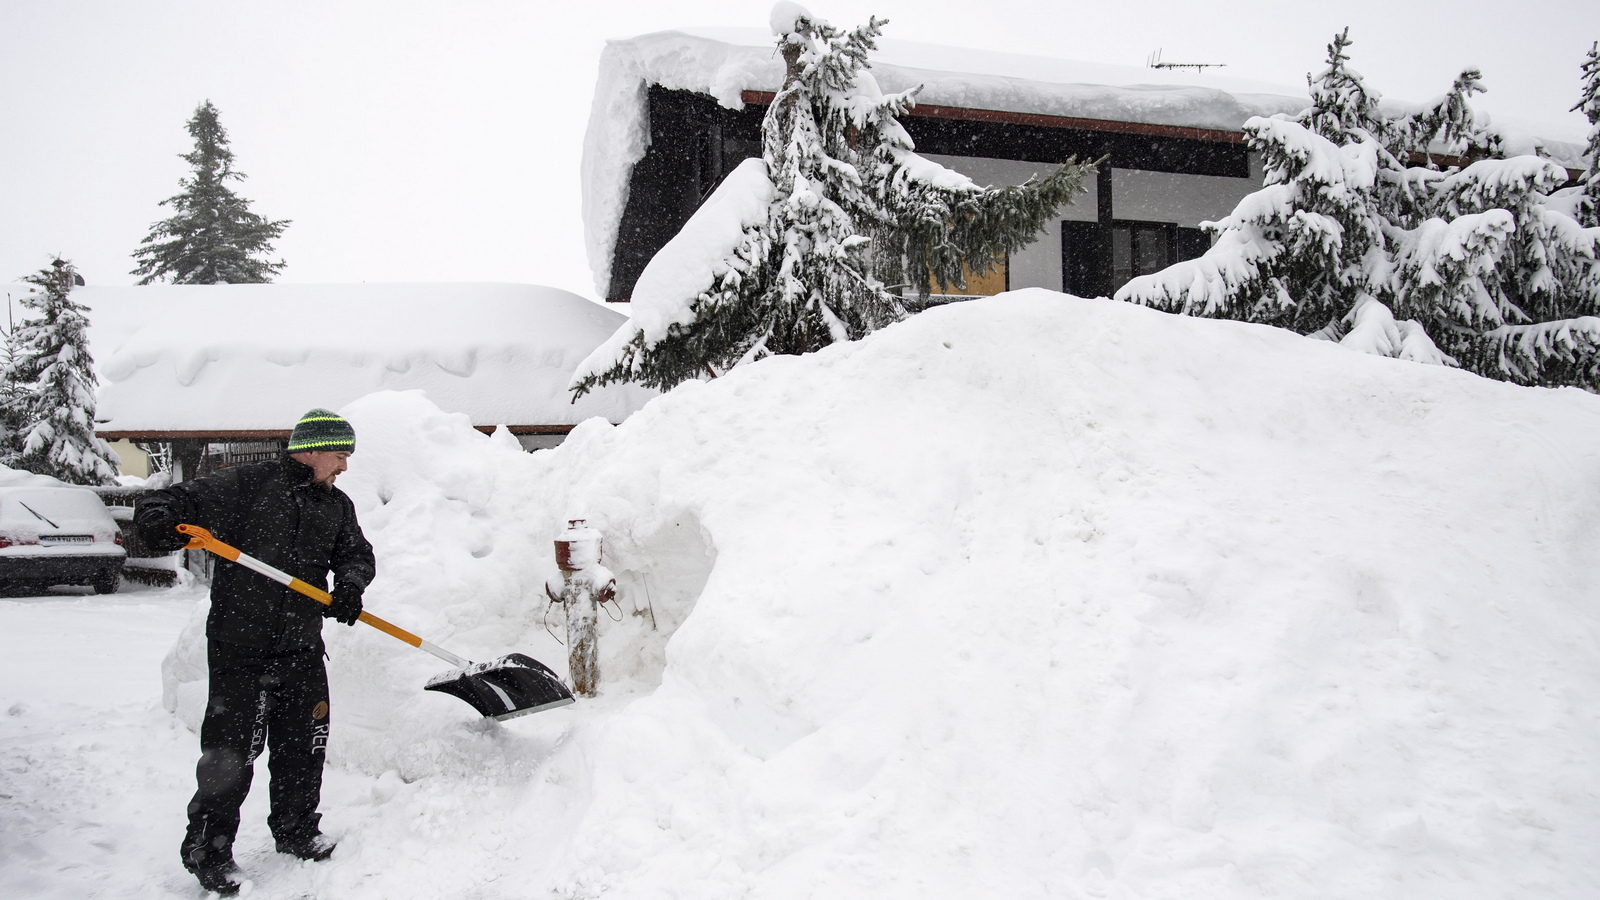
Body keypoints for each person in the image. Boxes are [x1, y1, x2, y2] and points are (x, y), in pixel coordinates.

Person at [136, 408, 375, 896]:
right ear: (309, 450)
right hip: (240, 647)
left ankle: (296, 830)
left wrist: (350, 584)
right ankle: (208, 850)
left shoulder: (336, 506)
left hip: (302, 647)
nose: (345, 466)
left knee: (303, 747)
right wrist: (159, 517)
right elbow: (171, 499)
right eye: (339, 455)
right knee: (231, 755)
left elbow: (355, 553)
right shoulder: (247, 484)